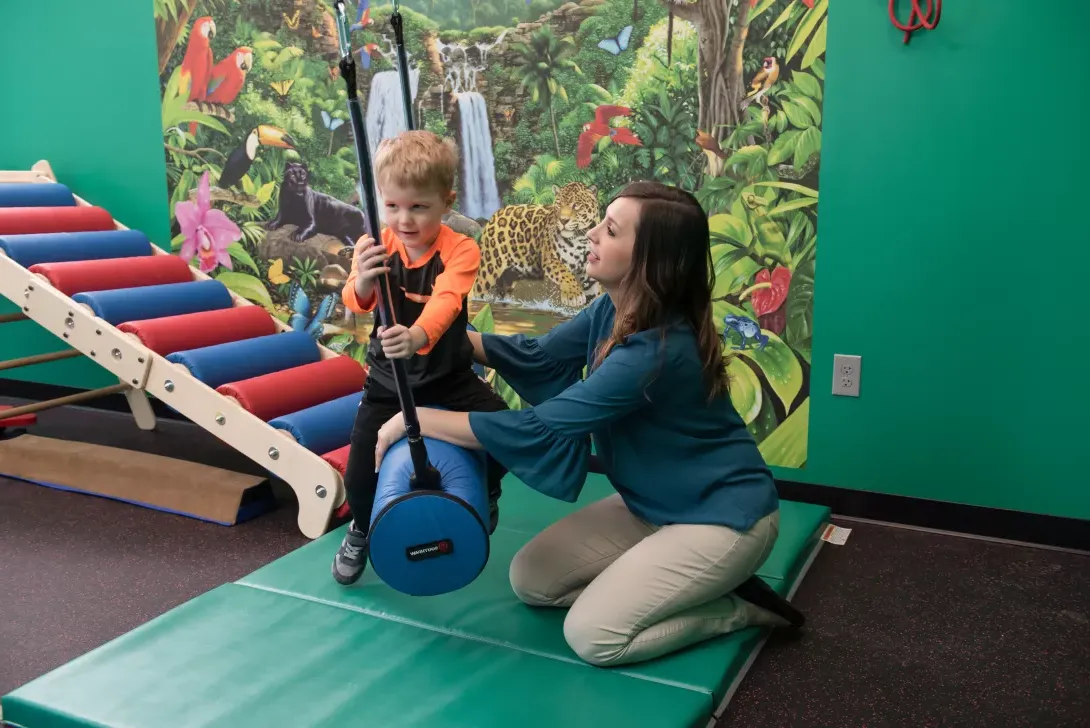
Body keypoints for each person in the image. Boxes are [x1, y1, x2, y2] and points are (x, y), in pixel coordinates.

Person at [373, 180, 802, 667]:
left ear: (649, 261)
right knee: (532, 580)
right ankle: (673, 577)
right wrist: (428, 334)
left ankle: (736, 609)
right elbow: (538, 355)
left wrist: (416, 421)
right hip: (650, 506)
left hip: (724, 520)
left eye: (611, 230)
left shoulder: (654, 352)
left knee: (594, 636)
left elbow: (541, 428)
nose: (593, 234)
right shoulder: (612, 309)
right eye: (600, 220)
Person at [332, 130, 508, 586]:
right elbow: (355, 300)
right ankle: (360, 530)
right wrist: (366, 280)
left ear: (445, 203)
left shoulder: (461, 249)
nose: (404, 219)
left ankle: (487, 489)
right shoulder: (374, 242)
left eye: (418, 207)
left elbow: (447, 301)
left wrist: (416, 335)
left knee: (508, 432)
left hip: (448, 376)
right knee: (360, 470)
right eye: (392, 206)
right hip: (389, 382)